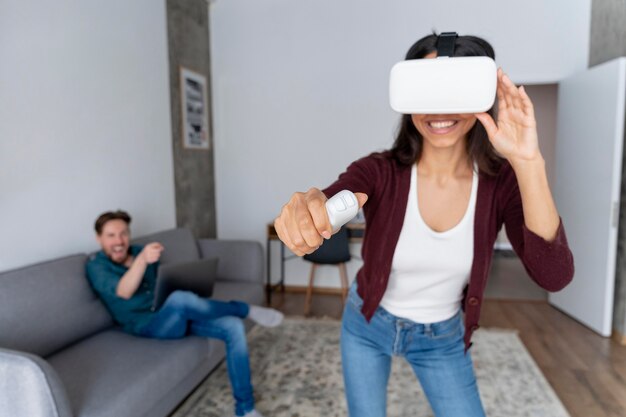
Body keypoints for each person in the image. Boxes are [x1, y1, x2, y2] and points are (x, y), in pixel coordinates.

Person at [273, 33, 574, 417]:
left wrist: (528, 162)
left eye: (454, 91)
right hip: (367, 323)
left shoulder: (502, 185)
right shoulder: (379, 170)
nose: (439, 108)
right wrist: (310, 209)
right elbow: (334, 198)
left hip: (442, 338)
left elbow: (554, 276)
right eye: (427, 90)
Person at [86, 210, 283, 417]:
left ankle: (245, 408)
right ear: (99, 238)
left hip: (170, 315)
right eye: (111, 235)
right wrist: (142, 261)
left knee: (232, 326)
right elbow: (124, 291)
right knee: (181, 299)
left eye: (124, 233)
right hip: (147, 325)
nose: (119, 240)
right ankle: (246, 309)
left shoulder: (138, 251)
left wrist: (178, 280)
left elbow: (162, 285)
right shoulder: (96, 266)